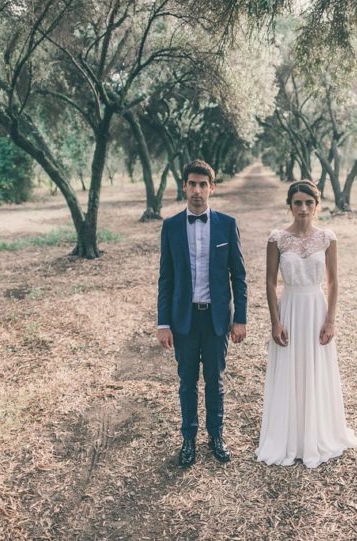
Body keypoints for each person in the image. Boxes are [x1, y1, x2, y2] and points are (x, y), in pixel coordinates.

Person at [256, 179, 357, 468]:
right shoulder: (277, 238)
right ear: (290, 205)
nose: (303, 208)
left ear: (317, 205)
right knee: (290, 368)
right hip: (289, 308)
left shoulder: (327, 238)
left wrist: (330, 320)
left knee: (315, 368)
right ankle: (288, 437)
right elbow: (269, 281)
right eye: (298, 202)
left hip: (315, 308)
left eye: (308, 202)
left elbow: (334, 281)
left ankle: (317, 433)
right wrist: (275, 321)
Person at [157, 159, 248, 468]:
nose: (197, 190)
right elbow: (166, 278)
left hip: (216, 319)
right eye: (192, 184)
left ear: (212, 188)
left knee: (214, 381)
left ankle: (216, 436)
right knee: (187, 383)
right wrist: (163, 323)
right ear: (184, 186)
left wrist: (241, 319)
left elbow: (239, 275)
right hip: (183, 319)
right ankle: (188, 439)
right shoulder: (170, 226)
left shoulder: (227, 224)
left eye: (203, 184)